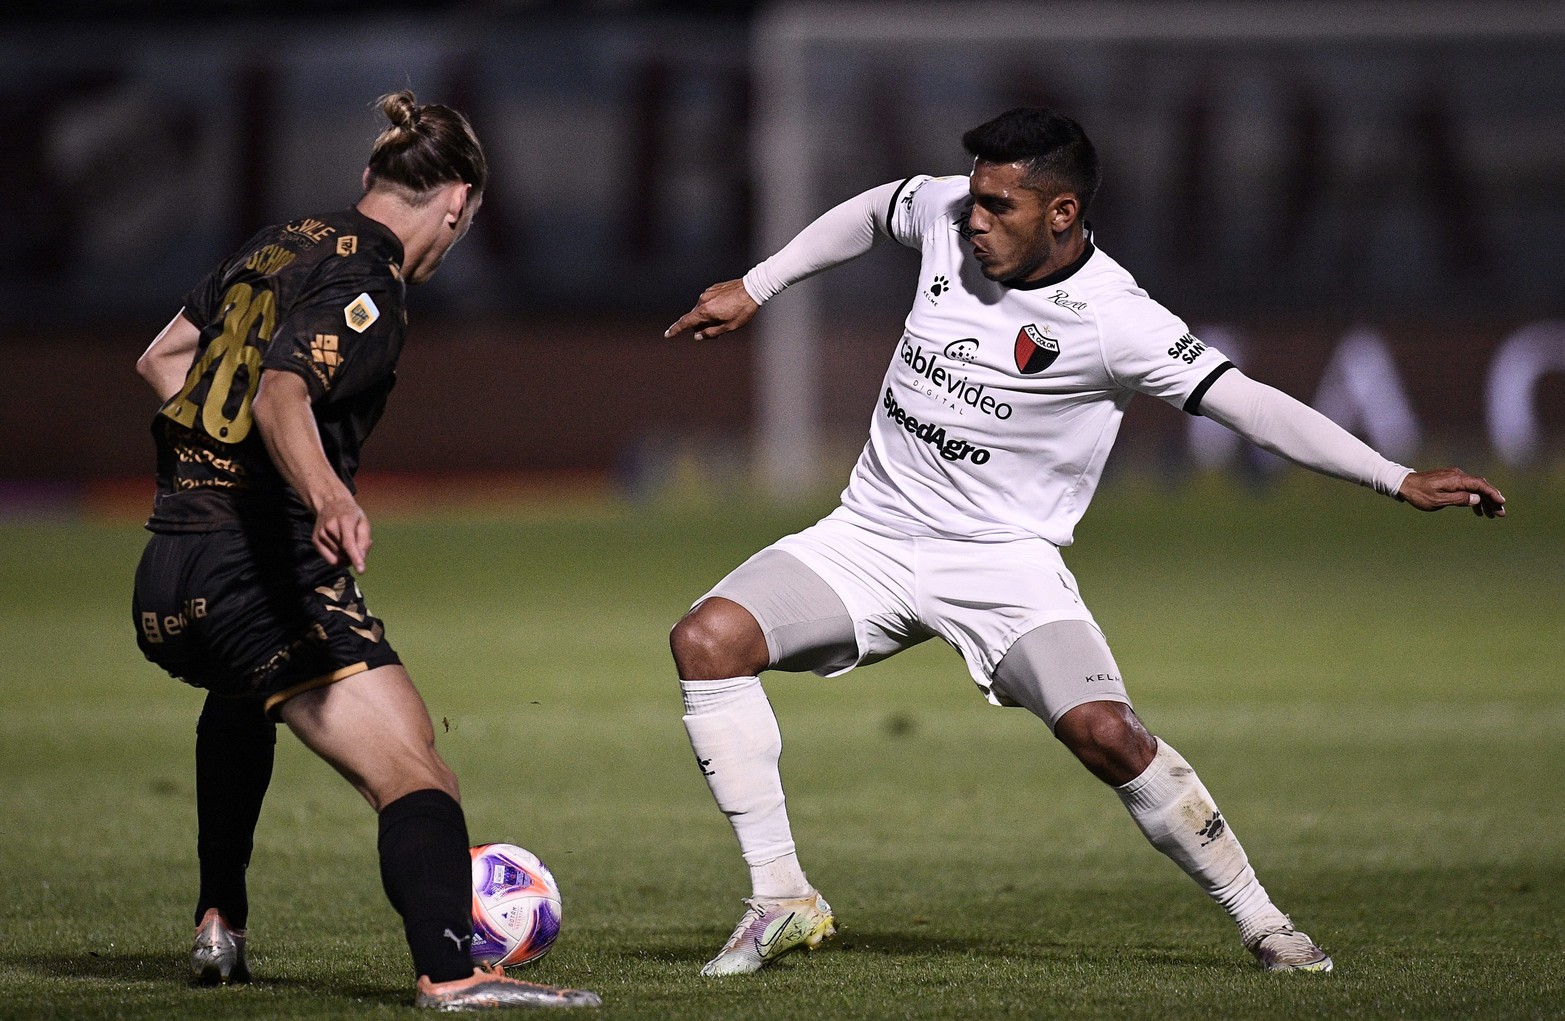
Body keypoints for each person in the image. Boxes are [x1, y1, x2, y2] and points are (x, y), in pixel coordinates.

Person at [664, 107, 1505, 977]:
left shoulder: (1116, 319)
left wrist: (1391, 475)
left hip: (1004, 564)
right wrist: (758, 285)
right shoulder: (949, 216)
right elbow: (879, 207)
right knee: (707, 639)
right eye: (974, 200)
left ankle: (1263, 921)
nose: (972, 219)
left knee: (1107, 733)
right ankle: (781, 898)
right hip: (869, 536)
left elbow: (1248, 403)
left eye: (998, 206)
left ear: (1061, 212)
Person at [132, 90, 599, 1010]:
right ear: (458, 202)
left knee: (249, 691)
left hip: (167, 568)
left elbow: (160, 359)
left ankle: (218, 919)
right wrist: (326, 493)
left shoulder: (274, 243)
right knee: (417, 776)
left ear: (369, 180)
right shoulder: (368, 288)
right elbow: (278, 395)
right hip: (255, 573)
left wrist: (213, 477)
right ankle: (452, 975)